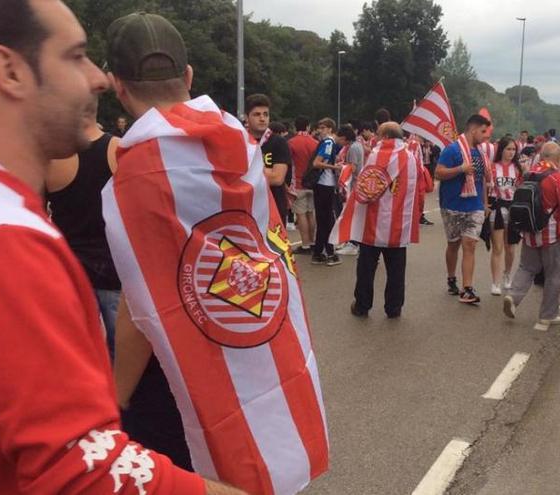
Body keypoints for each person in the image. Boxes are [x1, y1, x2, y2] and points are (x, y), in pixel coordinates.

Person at [0, 1, 242, 493]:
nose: (97, 78)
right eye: (75, 56)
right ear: (9, 70)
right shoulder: (1, 239)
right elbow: (79, 468)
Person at [102, 12, 327, 492]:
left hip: (171, 376)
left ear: (117, 86)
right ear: (188, 76)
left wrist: (116, 399)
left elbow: (139, 305)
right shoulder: (241, 146)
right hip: (246, 347)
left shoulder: (133, 176)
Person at [332, 122, 431, 318]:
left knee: (367, 267)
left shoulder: (376, 156)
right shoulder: (410, 157)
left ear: (384, 135)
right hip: (398, 222)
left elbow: (364, 186)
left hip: (374, 220)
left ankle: (362, 305)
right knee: (396, 270)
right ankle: (394, 307)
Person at [46, 101, 120, 358]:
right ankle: (119, 397)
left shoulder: (53, 158)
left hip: (71, 268)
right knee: (118, 351)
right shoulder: (119, 150)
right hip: (115, 268)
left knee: (79, 353)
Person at [503, 143, 560, 331]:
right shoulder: (559, 177)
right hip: (551, 232)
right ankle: (547, 315)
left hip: (529, 230)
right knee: (553, 273)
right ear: (558, 158)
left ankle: (514, 296)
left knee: (526, 267)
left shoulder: (529, 174)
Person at [436, 114, 492, 304]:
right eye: (483, 132)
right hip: (452, 205)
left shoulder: (481, 153)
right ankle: (451, 278)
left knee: (470, 245)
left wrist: (484, 203)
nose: (486, 136)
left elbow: (482, 179)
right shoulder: (451, 150)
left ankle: (467, 288)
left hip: (474, 205)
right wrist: (460, 169)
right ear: (473, 129)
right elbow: (438, 173)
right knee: (454, 244)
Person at [245, 93, 292, 223]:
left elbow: (277, 179)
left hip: (274, 209)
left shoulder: (278, 142)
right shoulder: (240, 141)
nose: (262, 118)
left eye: (265, 114)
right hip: (247, 209)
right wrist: (267, 172)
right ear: (246, 117)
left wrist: (248, 174)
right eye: (257, 114)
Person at [488, 136, 522, 294]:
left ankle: (507, 275)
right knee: (497, 247)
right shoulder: (493, 167)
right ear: (501, 149)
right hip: (497, 208)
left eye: (513, 149)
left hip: (513, 209)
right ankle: (495, 282)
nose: (511, 152)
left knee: (511, 247)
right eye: (508, 149)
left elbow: (521, 188)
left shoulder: (518, 168)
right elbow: (486, 186)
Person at [311, 117, 342, 265]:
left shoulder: (326, 142)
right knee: (327, 220)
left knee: (323, 219)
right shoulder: (329, 143)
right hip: (326, 184)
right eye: (319, 128)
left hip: (321, 184)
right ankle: (329, 252)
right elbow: (317, 163)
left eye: (323, 128)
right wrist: (336, 168)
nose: (320, 130)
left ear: (330, 129)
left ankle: (318, 251)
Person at [288, 116, 318, 253]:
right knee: (311, 213)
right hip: (313, 183)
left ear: (295, 127)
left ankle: (305, 244)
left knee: (300, 215)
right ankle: (313, 242)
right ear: (308, 126)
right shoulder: (315, 142)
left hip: (298, 184)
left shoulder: (291, 143)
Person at [333, 125, 364, 256]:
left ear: (345, 138)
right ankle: (351, 242)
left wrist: (339, 167)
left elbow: (352, 167)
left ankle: (353, 243)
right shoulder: (357, 145)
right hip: (356, 184)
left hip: (354, 185)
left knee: (352, 215)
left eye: (339, 138)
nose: (338, 141)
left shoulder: (353, 148)